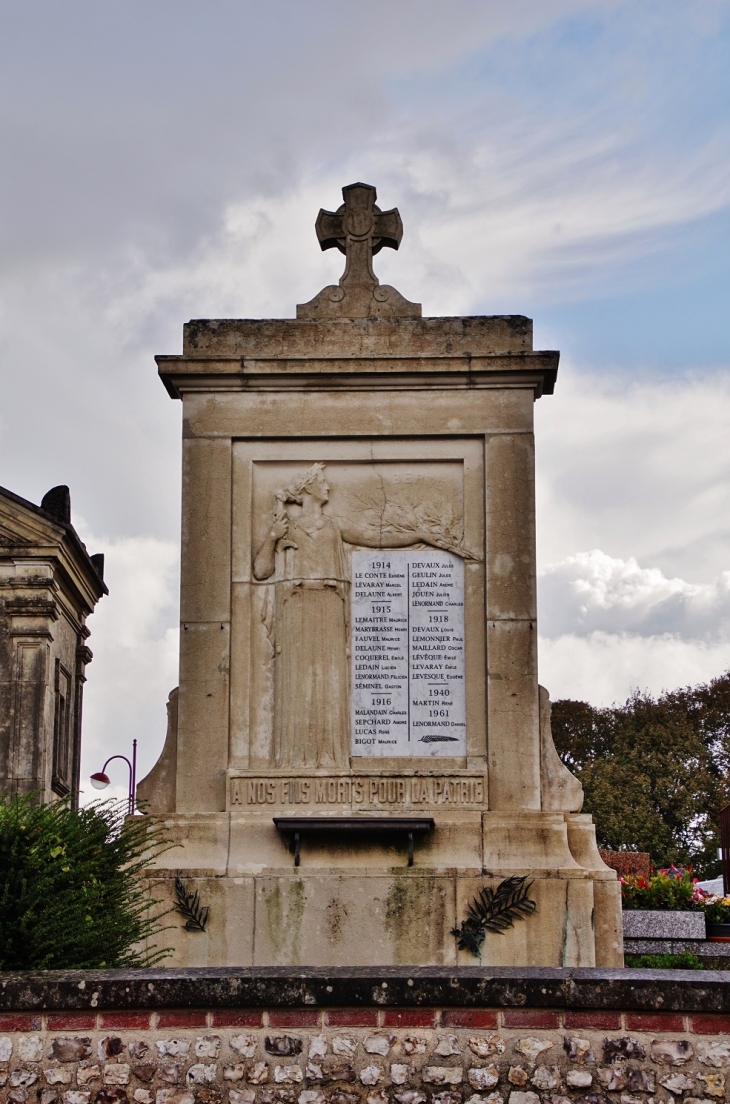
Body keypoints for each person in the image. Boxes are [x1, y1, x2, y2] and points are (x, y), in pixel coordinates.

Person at [253, 463, 440, 768]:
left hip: (329, 605)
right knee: (297, 682)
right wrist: (272, 537)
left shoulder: (334, 525)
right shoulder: (285, 526)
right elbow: (261, 571)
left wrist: (420, 535)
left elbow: (374, 538)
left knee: (329, 680)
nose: (328, 487)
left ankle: (329, 755)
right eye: (322, 483)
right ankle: (293, 758)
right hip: (296, 608)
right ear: (307, 489)